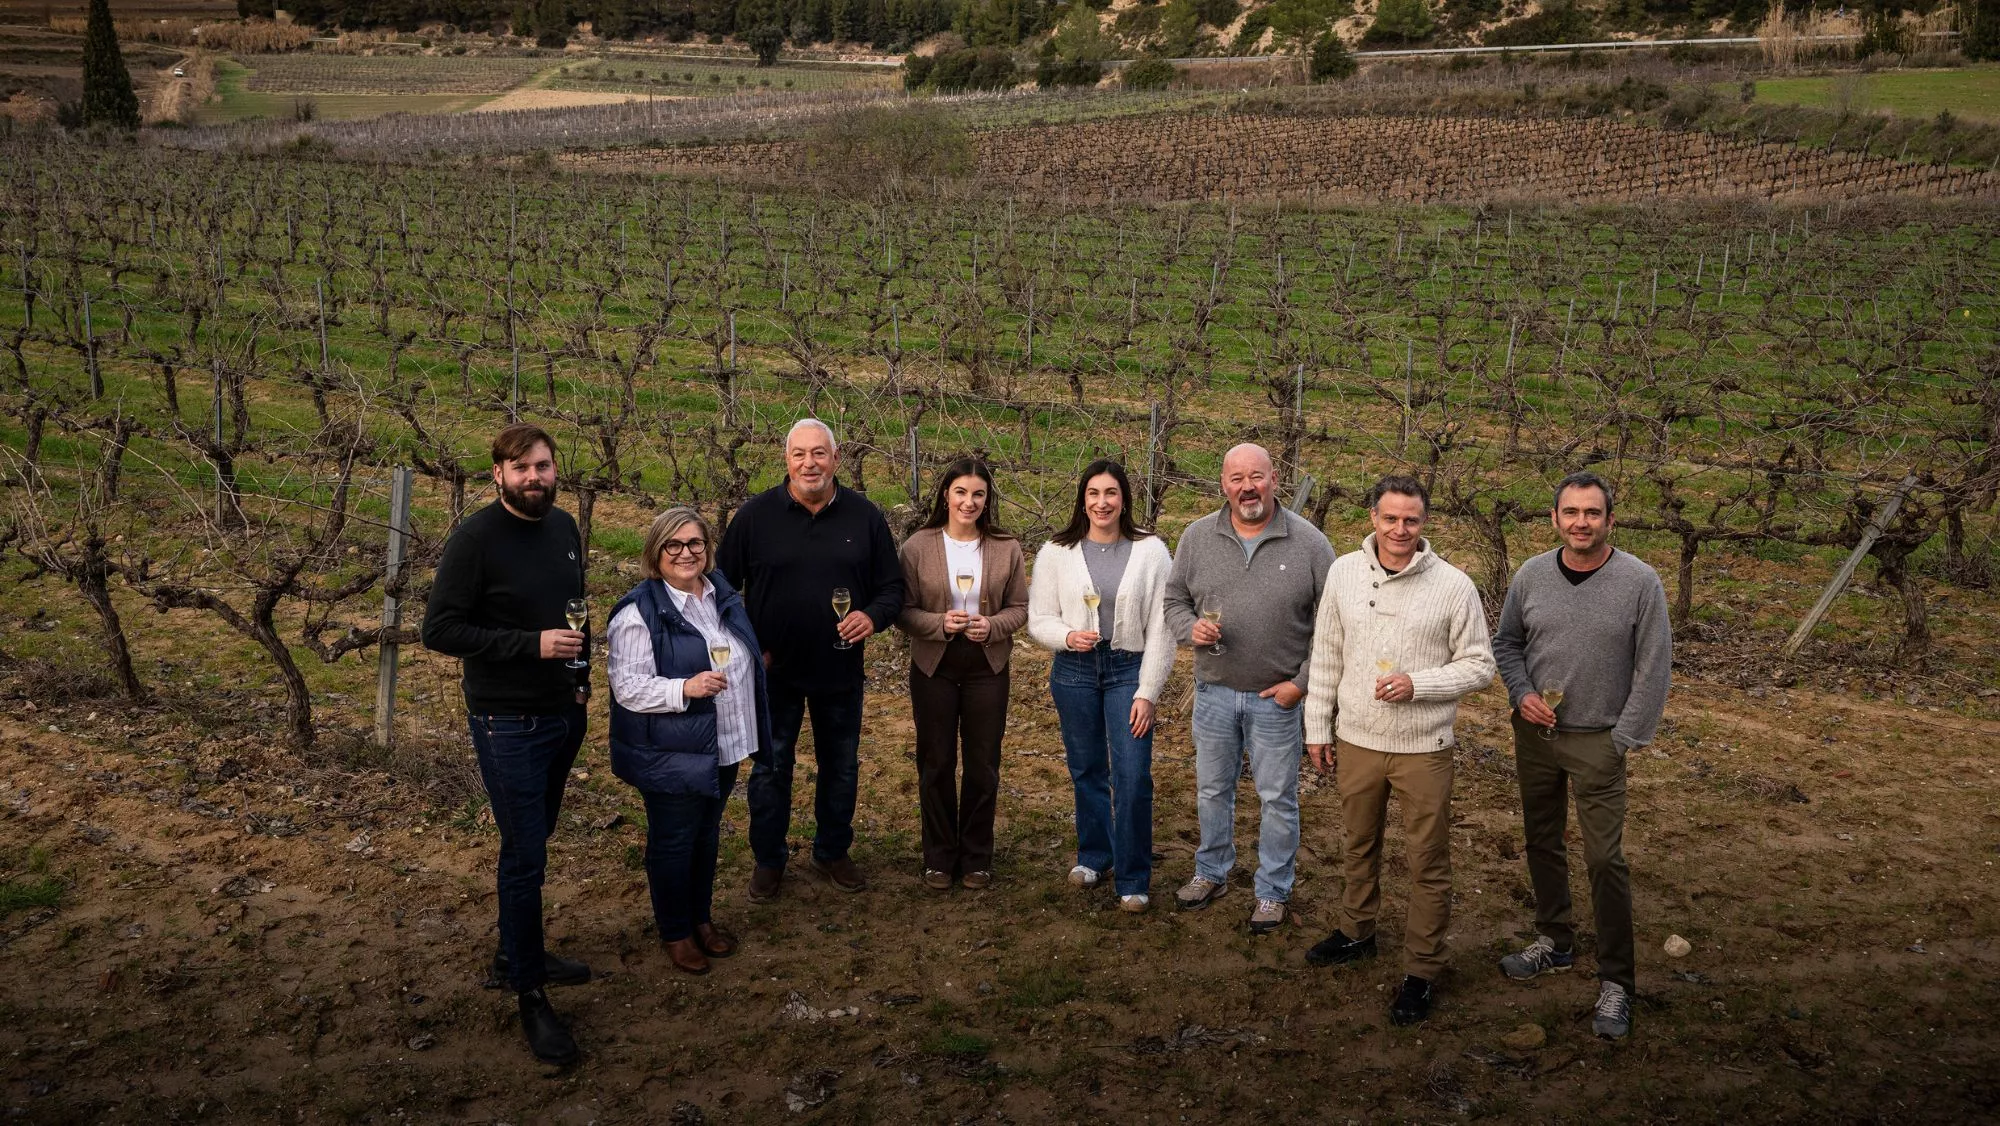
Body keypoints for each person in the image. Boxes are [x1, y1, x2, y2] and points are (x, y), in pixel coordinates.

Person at [421, 422, 591, 1066]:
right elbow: (439, 630)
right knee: (525, 854)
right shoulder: (475, 540)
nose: (534, 479)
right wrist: (531, 645)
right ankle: (529, 991)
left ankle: (513, 950)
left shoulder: (564, 528)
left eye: (543, 467)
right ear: (497, 473)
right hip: (506, 720)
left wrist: (579, 686)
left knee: (535, 839)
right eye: (521, 469)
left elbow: (577, 610)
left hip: (560, 714)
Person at [1300, 476, 1496, 1026]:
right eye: (1390, 518)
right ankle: (1356, 930)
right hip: (1357, 739)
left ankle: (1422, 970)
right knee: (1358, 842)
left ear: (1424, 523)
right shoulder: (1342, 572)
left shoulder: (1454, 586)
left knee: (1426, 860)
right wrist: (1317, 726)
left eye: (1410, 520)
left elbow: (1480, 664)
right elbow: (1327, 654)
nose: (1399, 530)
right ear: (1373, 517)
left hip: (1423, 747)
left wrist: (1420, 684)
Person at [1493, 471, 1671, 1041]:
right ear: (1555, 519)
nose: (1581, 522)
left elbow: (1653, 666)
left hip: (1600, 738)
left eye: (1592, 513)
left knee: (1604, 860)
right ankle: (1556, 940)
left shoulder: (1639, 582)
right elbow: (1507, 643)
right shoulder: (1531, 575)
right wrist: (1520, 694)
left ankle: (1617, 980)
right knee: (1542, 839)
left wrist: (1623, 738)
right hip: (1536, 735)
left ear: (1610, 520)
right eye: (1570, 512)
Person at [716, 419, 904, 900]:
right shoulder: (755, 517)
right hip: (772, 672)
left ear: (836, 459)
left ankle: (832, 851)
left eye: (819, 453)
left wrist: (872, 617)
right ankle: (769, 858)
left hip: (840, 669)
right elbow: (719, 589)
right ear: (786, 460)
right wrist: (747, 646)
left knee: (840, 765)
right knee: (770, 768)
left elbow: (892, 589)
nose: (809, 463)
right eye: (800, 454)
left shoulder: (865, 517)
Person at [1163, 443, 1335, 933]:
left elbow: (1335, 622)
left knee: (1278, 797)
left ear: (1274, 479)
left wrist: (1300, 685)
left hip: (1275, 700)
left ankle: (1272, 891)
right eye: (1236, 478)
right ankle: (1210, 872)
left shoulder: (1309, 543)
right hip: (1213, 692)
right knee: (1212, 789)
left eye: (1256, 476)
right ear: (1223, 484)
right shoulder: (1198, 537)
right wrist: (1188, 628)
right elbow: (1174, 600)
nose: (1247, 487)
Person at [607, 507, 773, 976]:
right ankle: (675, 931)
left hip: (720, 743)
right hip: (671, 750)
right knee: (674, 842)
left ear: (708, 549)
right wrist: (686, 688)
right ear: (655, 552)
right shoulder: (639, 612)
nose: (685, 553)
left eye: (695, 544)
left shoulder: (720, 593)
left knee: (705, 836)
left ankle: (701, 918)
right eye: (673, 546)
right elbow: (629, 687)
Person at [1027, 459, 1175, 912]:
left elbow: (1163, 626)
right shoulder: (1057, 550)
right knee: (1087, 768)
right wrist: (1067, 636)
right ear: (1082, 499)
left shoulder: (1151, 551)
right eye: (1093, 493)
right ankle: (1095, 856)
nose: (1102, 502)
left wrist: (1148, 691)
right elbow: (1039, 619)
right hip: (1074, 670)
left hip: (1129, 670)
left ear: (1124, 498)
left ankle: (1133, 876)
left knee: (1132, 773)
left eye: (1110, 493)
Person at [894, 458, 1030, 891]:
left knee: (982, 765)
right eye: (960, 492)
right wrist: (939, 624)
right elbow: (902, 610)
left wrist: (993, 626)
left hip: (987, 666)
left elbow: (1020, 608)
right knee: (935, 763)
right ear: (946, 495)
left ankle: (976, 858)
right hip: (934, 664)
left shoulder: (1006, 547)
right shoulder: (918, 546)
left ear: (987, 500)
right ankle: (938, 857)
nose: (968, 502)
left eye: (978, 494)